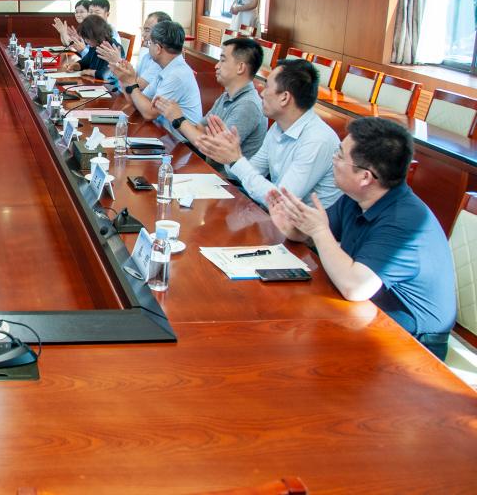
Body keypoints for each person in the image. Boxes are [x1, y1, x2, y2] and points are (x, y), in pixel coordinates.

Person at [267, 118, 456, 359]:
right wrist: (292, 228)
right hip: (366, 315)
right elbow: (314, 235)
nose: (333, 160)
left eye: (339, 155)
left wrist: (319, 231)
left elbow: (355, 287)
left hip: (412, 344)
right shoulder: (357, 198)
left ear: (365, 177)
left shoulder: (404, 222)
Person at [198, 58, 342, 209]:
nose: (262, 93)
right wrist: (230, 155)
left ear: (284, 97)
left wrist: (236, 160)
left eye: (267, 87)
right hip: (276, 214)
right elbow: (246, 174)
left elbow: (281, 201)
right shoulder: (278, 127)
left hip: (297, 221)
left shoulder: (317, 140)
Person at [154, 37, 268, 164]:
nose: (216, 66)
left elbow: (216, 151)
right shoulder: (227, 96)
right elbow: (200, 129)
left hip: (225, 176)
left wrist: (178, 119)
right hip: (208, 168)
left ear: (240, 67)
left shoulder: (248, 105)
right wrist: (172, 113)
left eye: (222, 60)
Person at [101, 20, 202, 140]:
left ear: (158, 48)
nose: (148, 46)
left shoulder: (177, 74)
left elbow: (149, 113)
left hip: (179, 142)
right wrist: (124, 78)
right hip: (163, 134)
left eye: (150, 43)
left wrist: (131, 83)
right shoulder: (166, 67)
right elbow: (138, 102)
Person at [60, 15, 122, 82]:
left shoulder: (112, 48)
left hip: (110, 86)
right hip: (95, 82)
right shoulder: (95, 45)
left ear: (97, 34)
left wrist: (89, 72)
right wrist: (74, 66)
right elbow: (85, 62)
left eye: (87, 38)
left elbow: (104, 75)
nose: (86, 41)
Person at [131, 11, 171, 91]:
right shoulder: (147, 54)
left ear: (162, 33)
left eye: (147, 30)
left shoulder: (162, 60)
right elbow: (134, 77)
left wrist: (117, 62)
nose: (143, 34)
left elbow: (138, 85)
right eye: (144, 30)